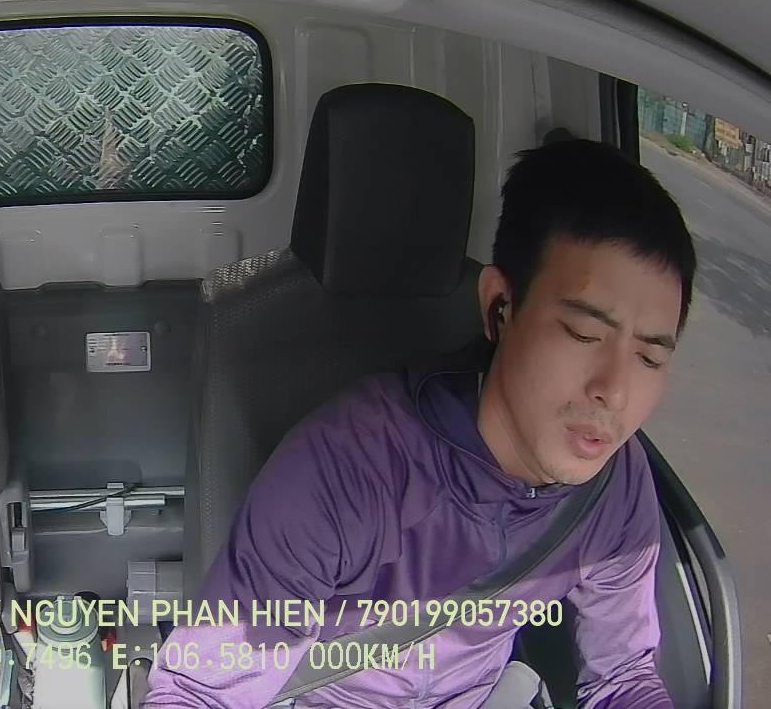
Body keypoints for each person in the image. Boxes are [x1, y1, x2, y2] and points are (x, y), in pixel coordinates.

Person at [143, 138, 695, 708]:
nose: (615, 391)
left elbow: (623, 675)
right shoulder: (345, 471)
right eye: (584, 334)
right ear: (499, 307)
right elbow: (200, 694)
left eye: (649, 357)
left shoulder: (614, 484)